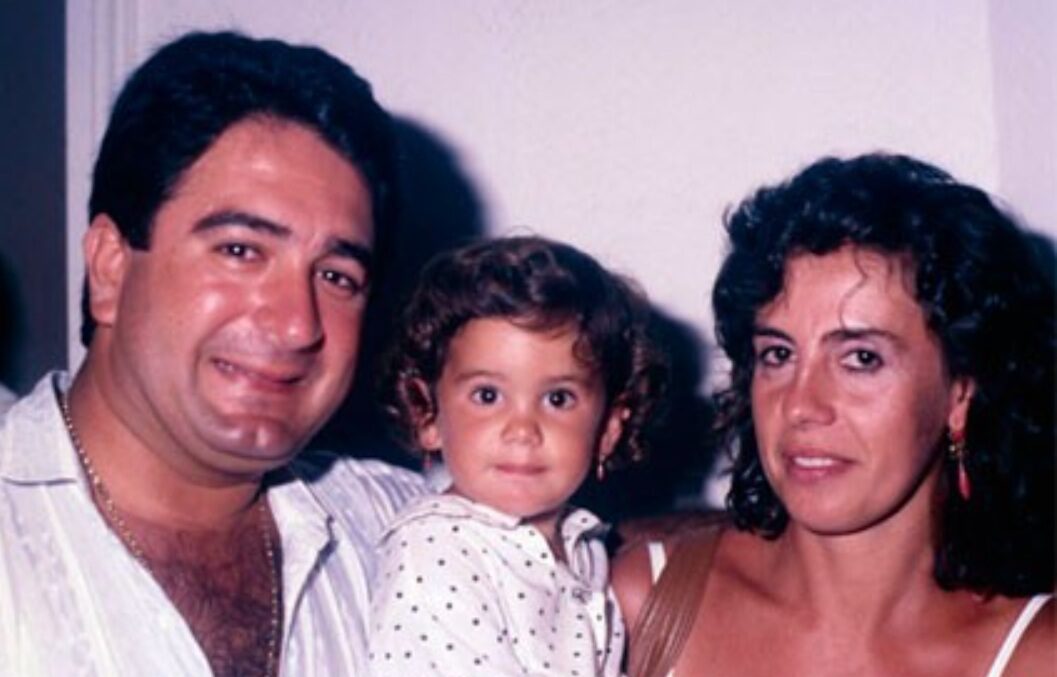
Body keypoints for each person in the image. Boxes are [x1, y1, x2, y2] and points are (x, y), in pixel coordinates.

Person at [0, 31, 427, 674]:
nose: (297, 324)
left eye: (336, 276)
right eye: (240, 251)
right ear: (111, 267)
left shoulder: (411, 537)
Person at [613, 153, 1055, 677]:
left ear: (961, 392)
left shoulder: (1036, 656)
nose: (801, 405)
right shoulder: (641, 606)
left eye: (861, 359)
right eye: (778, 354)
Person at [367, 236, 668, 675]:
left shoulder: (583, 547)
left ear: (607, 429)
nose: (523, 430)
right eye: (488, 395)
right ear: (426, 412)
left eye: (558, 399)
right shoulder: (435, 551)